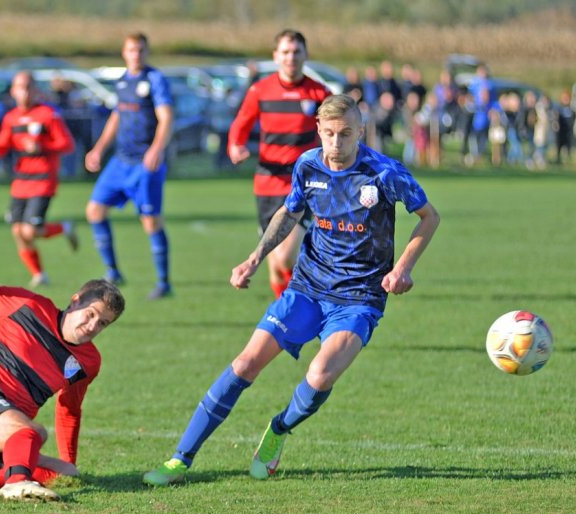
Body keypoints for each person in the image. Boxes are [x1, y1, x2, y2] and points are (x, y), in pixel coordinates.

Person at [143, 94, 440, 486]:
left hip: (359, 297)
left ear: (361, 132)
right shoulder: (307, 165)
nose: (336, 143)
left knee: (319, 376)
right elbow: (290, 211)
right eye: (330, 133)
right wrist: (254, 257)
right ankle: (180, 459)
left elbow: (428, 216)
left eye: (346, 134)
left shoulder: (384, 172)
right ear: (318, 130)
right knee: (246, 363)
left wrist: (402, 269)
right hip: (308, 286)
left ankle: (279, 428)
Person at [0, 237, 125, 501]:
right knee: (33, 433)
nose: (92, 326)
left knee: (63, 472)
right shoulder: (28, 306)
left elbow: (69, 410)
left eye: (102, 324)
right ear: (75, 301)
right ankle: (17, 482)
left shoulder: (87, 361)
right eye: (90, 314)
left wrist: (67, 463)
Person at [227, 29, 332, 298]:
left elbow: (337, 127)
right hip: (267, 182)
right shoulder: (260, 90)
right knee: (274, 263)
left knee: (285, 256)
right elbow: (240, 124)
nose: (291, 57)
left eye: (296, 51)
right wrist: (235, 145)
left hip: (305, 182)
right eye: (285, 52)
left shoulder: (319, 92)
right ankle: (289, 320)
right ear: (275, 56)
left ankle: (306, 299)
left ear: (306, 55)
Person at [84, 32, 174, 300]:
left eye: (141, 50)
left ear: (147, 52)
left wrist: (157, 148)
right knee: (94, 211)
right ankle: (112, 270)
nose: (136, 54)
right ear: (124, 52)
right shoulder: (123, 81)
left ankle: (164, 282)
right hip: (120, 161)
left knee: (150, 221)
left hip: (145, 163)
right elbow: (116, 116)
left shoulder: (155, 80)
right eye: (132, 50)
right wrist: (99, 148)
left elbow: (166, 117)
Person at [0, 71, 78, 287]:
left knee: (30, 230)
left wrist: (43, 146)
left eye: (28, 86)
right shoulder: (11, 118)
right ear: (13, 91)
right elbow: (2, 146)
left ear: (35, 90)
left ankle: (64, 228)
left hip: (43, 179)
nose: (24, 91)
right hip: (21, 181)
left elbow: (67, 144)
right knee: (17, 231)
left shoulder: (48, 114)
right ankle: (40, 274)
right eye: (20, 87)